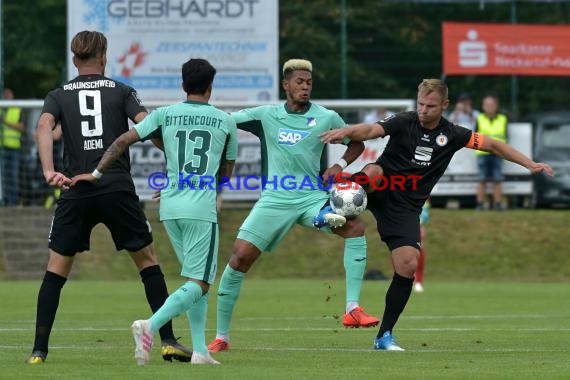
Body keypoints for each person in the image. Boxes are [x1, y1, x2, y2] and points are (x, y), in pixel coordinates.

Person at [321, 78, 553, 351]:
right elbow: (372, 129)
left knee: (407, 265)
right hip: (379, 187)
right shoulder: (403, 121)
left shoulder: (453, 134)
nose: (423, 110)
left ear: (444, 105)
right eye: (420, 103)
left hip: (406, 208)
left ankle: (384, 336)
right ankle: (330, 208)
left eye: (430, 106)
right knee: (373, 170)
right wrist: (350, 130)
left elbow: (493, 145)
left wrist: (529, 163)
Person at [27, 30, 191, 364]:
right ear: (104, 57)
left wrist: (48, 170)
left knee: (56, 271)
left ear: (75, 60)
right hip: (116, 185)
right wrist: (175, 170)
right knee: (147, 261)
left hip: (76, 189)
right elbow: (149, 128)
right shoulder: (122, 91)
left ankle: (38, 352)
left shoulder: (58, 95)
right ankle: (168, 340)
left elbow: (44, 127)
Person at [72, 58, 236, 365]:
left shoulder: (164, 115)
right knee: (200, 282)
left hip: (170, 207)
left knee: (192, 280)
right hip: (200, 208)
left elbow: (123, 140)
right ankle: (151, 325)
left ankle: (200, 351)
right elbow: (225, 174)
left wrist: (95, 174)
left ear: (183, 85)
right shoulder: (225, 121)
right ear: (211, 87)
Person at [207, 58, 378, 353]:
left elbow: (356, 143)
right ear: (286, 85)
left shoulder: (326, 117)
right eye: (299, 82)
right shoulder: (266, 115)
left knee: (355, 226)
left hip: (311, 196)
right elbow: (226, 122)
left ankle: (352, 308)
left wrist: (338, 164)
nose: (305, 87)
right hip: (274, 199)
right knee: (239, 259)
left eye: (309, 83)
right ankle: (222, 337)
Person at [476, 94, 508, 211]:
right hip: (482, 153)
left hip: (498, 153)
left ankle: (498, 204)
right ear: (483, 106)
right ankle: (480, 205)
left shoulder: (503, 119)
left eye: (491, 104)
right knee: (481, 179)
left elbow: (505, 136)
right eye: (487, 105)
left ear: (496, 106)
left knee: (497, 179)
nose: (489, 107)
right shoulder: (479, 118)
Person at [1, 87, 26, 206]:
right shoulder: (1, 109)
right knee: (5, 178)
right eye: (4, 94)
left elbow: (21, 127)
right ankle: (6, 201)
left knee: (14, 177)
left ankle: (13, 203)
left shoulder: (17, 109)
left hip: (14, 148)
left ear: (12, 95)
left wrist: (5, 122)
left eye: (8, 94)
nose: (6, 96)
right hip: (3, 148)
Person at [413, 198, 430, 293]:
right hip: (401, 222)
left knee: (419, 249)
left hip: (417, 224)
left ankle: (418, 281)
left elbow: (425, 208)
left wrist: (422, 225)